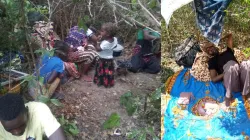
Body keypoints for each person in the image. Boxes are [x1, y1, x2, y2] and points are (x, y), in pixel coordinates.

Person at [204, 33, 250, 106]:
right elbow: (213, 79)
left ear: (215, 46)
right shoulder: (212, 61)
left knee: (247, 64)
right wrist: (225, 73)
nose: (210, 49)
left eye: (211, 46)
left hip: (242, 77)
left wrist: (217, 39)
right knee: (231, 65)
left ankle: (247, 93)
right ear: (207, 52)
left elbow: (230, 35)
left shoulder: (228, 51)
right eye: (207, 49)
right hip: (233, 81)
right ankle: (228, 96)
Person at [0, 94, 66, 140]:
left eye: (21, 125)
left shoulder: (39, 110)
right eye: (9, 129)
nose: (17, 132)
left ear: (27, 111)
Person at [93, 22, 117, 88]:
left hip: (103, 59)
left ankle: (100, 82)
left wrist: (97, 42)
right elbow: (115, 46)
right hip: (110, 59)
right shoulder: (114, 39)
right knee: (108, 72)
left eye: (102, 31)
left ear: (108, 34)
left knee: (101, 71)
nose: (100, 32)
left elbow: (98, 49)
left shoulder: (105, 43)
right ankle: (108, 82)